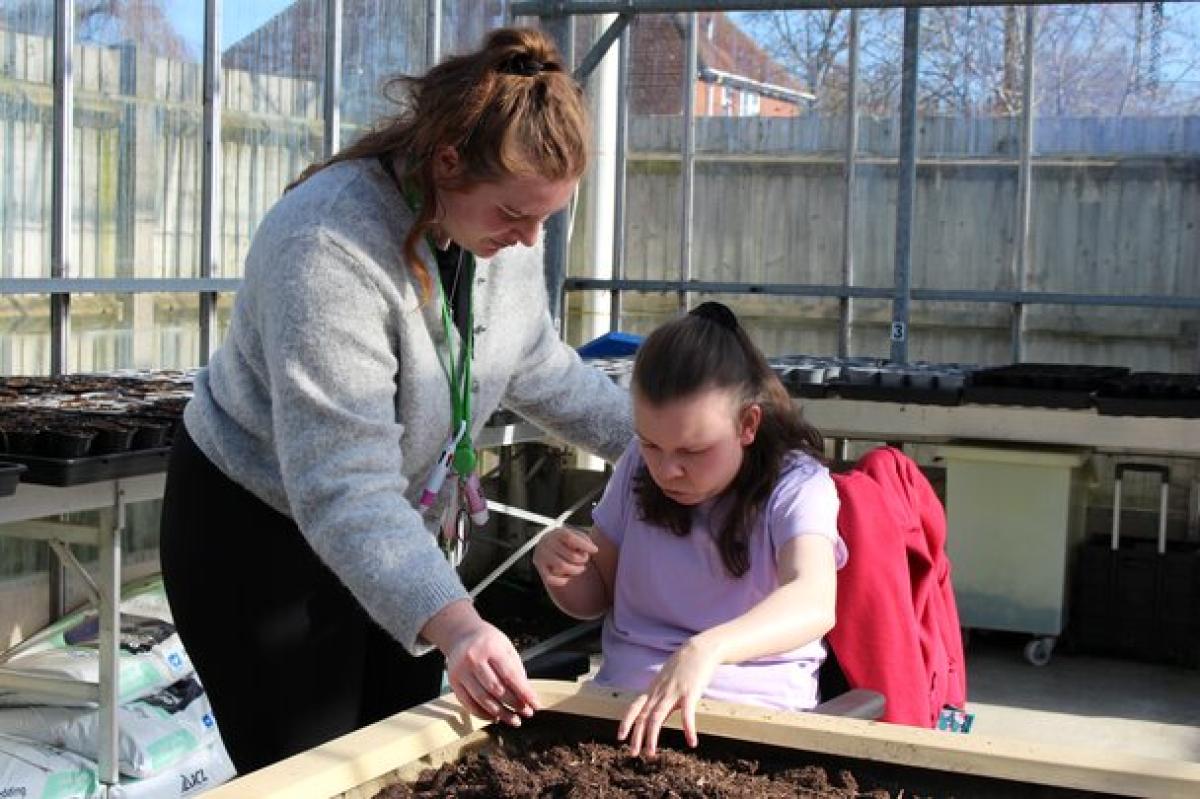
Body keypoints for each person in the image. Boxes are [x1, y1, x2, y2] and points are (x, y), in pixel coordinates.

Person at [159, 27, 632, 774]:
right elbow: (341, 483)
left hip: (397, 531)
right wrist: (458, 623)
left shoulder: (501, 231)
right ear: (447, 163)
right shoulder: (326, 244)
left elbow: (537, 363)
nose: (529, 238)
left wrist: (670, 448)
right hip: (265, 537)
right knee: (316, 773)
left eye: (547, 217)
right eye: (514, 215)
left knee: (407, 763)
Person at [533, 302, 847, 757]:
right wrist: (559, 567)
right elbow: (595, 595)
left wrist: (709, 649)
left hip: (750, 729)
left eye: (693, 450)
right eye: (651, 443)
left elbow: (813, 599)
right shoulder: (637, 468)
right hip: (617, 718)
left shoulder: (797, 484)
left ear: (748, 425)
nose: (667, 469)